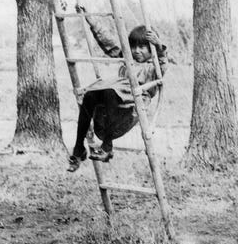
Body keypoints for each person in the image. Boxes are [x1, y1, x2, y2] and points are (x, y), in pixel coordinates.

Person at [68, 22, 168, 172]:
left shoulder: (153, 66)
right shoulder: (127, 59)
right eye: (133, 47)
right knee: (89, 95)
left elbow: (162, 61)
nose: (137, 51)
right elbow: (110, 44)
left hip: (133, 104)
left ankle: (107, 146)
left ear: (151, 49)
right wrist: (92, 22)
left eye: (142, 47)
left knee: (110, 91)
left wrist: (159, 46)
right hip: (113, 102)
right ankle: (78, 148)